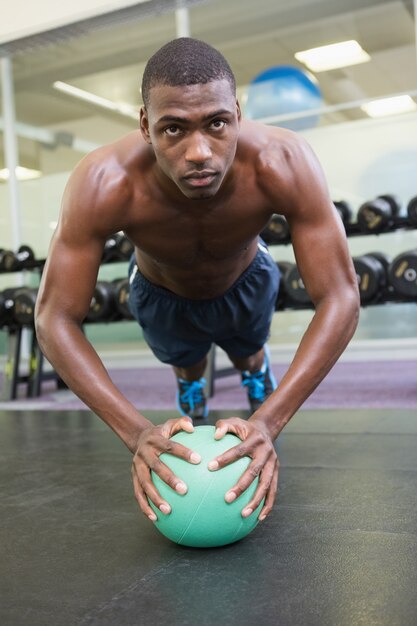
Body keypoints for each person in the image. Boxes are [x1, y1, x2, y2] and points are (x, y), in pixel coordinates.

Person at [35, 37, 360, 524]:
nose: (199, 152)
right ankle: (193, 388)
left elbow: (341, 295)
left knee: (249, 354)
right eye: (173, 130)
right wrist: (137, 433)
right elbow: (53, 317)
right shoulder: (105, 181)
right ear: (145, 126)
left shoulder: (282, 161)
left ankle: (254, 374)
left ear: (237, 112)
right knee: (188, 370)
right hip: (160, 291)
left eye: (216, 123)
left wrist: (268, 422)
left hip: (247, 276)